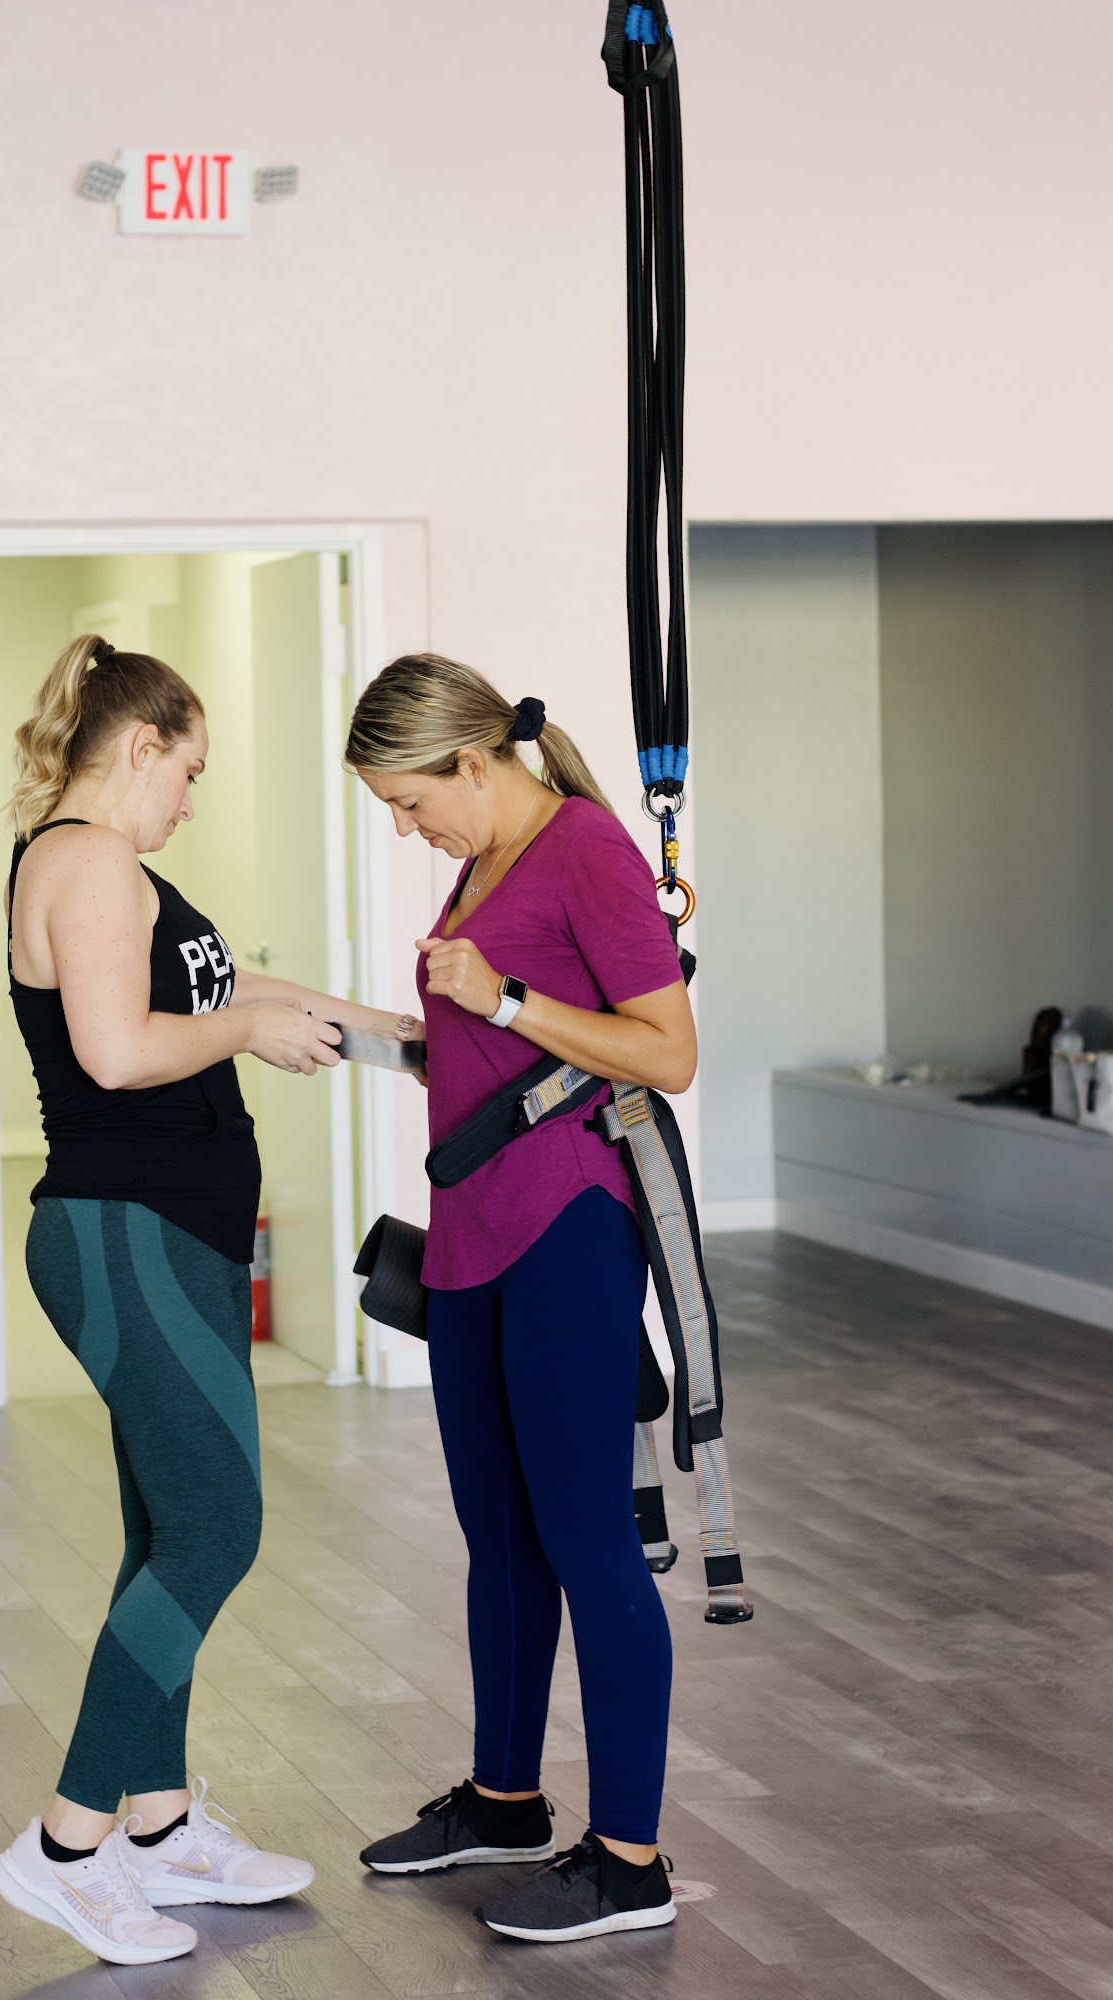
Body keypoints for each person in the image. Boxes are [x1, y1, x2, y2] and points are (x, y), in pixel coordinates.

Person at [0, 634, 416, 1967]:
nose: (191, 797)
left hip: (166, 1236)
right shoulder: (87, 863)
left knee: (167, 1530)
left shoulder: (113, 872)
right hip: (127, 1234)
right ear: (141, 746)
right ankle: (67, 1848)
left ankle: (162, 1826)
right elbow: (120, 1052)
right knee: (214, 1528)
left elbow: (236, 990)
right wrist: (243, 1035)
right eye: (189, 769)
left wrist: (403, 1039)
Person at [345, 653, 696, 1945]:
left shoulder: (587, 848)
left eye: (410, 801)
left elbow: (667, 1051)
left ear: (471, 762)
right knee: (498, 1537)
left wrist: (501, 995)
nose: (406, 828)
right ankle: (504, 1801)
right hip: (470, 1235)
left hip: (566, 1226)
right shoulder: (484, 861)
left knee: (587, 1537)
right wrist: (374, 1030)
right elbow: (489, 1044)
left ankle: (630, 1862)